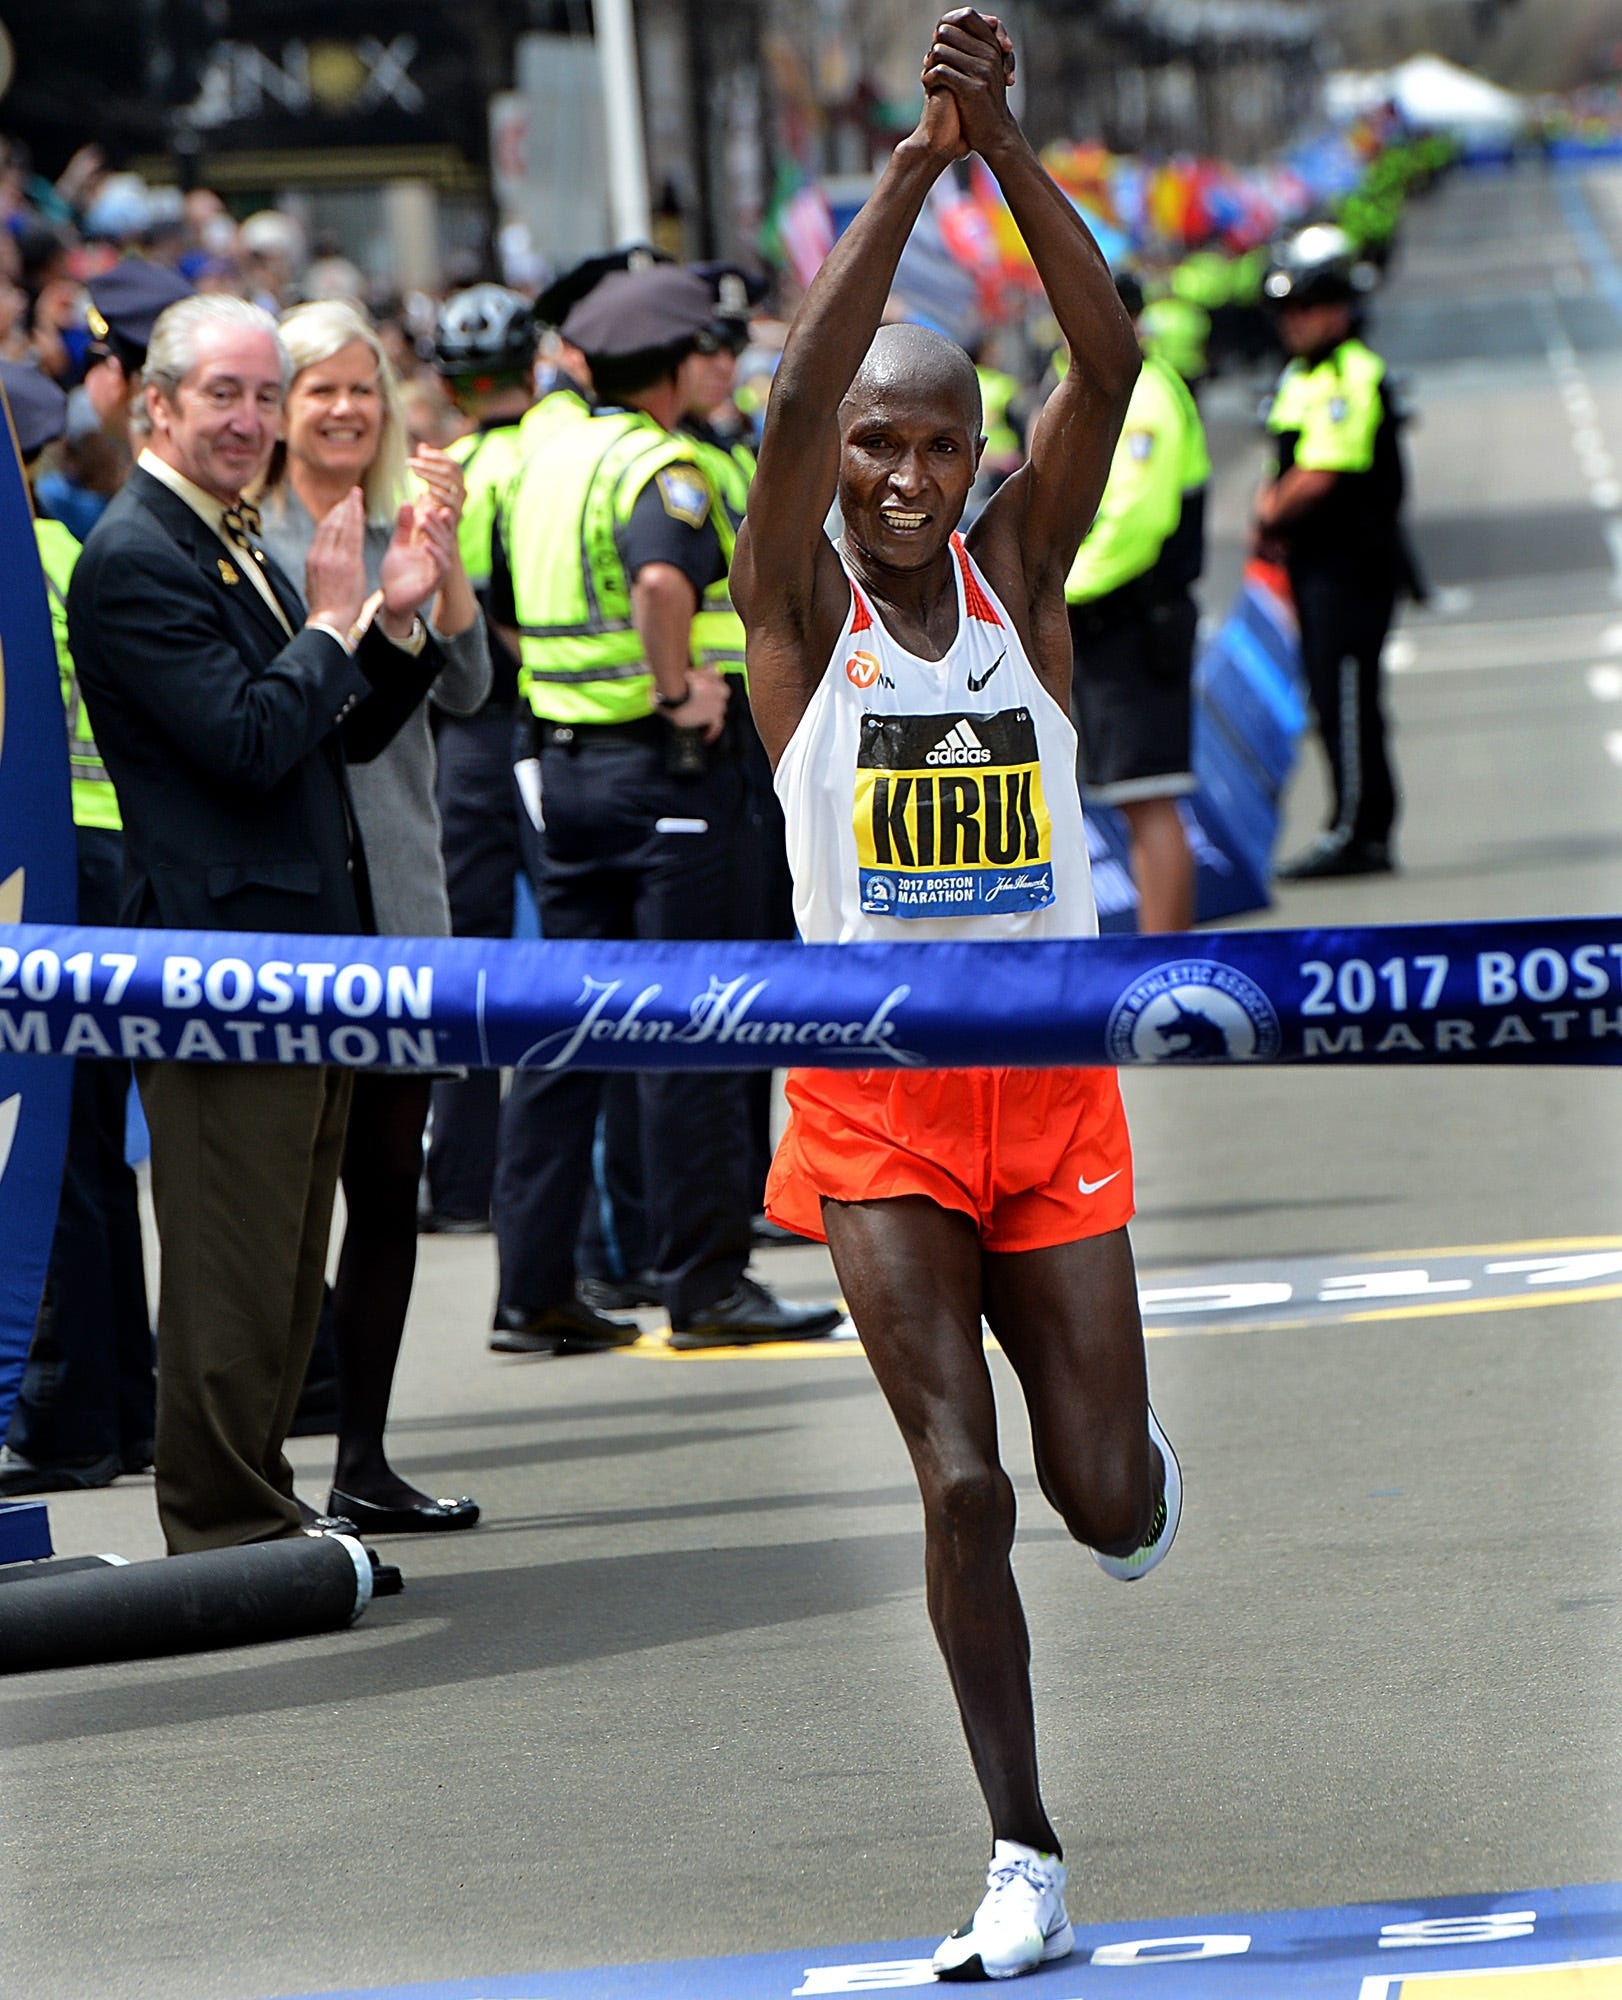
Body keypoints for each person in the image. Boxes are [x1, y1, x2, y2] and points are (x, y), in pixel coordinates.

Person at [732, 12, 1178, 1981]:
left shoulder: (1023, 575)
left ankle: (1135, 1470)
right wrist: (905, 175)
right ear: (839, 460)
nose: (904, 476)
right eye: (877, 444)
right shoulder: (795, 606)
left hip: (1052, 1093)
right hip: (877, 1110)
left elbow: (1113, 357)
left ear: (976, 460)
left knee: (1095, 1495)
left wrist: (1003, 150)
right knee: (965, 1477)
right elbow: (783, 405)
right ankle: (1025, 1850)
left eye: (937, 443)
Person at [66, 294, 452, 1556]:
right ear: (155, 406)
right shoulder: (138, 553)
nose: (248, 420)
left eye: (259, 395)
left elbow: (329, 739)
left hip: (303, 955)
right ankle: (229, 1530)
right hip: (220, 964)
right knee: (235, 1271)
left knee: (289, 1269)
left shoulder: (225, 537)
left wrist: (389, 619)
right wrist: (338, 622)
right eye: (221, 395)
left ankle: (266, 1513)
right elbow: (244, 743)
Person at [488, 264, 842, 1354]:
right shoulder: (663, 466)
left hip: (564, 772)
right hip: (668, 777)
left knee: (564, 1034)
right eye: (709, 350)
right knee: (697, 1023)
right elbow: (659, 584)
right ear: (678, 364)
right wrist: (673, 683)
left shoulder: (544, 461)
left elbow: (503, 600)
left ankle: (533, 1291)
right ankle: (705, 1282)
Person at [257, 298, 489, 1535]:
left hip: (404, 895)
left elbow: (472, 679)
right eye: (317, 391)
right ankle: (274, 1453)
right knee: (283, 1196)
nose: (344, 409)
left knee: (386, 1184)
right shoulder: (256, 532)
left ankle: (365, 1452)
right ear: (277, 408)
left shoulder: (412, 508)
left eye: (362, 389)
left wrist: (438, 572)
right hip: (295, 911)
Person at [0, 361, 154, 1497]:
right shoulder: (65, 549)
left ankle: (71, 1413)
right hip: (101, 858)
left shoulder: (32, 561)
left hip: (46, 875)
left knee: (55, 1156)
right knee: (93, 1151)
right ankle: (121, 1406)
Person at [418, 284, 539, 1234]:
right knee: (586, 948)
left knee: (467, 963)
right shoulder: (556, 450)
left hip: (460, 735)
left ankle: (459, 1184)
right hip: (549, 726)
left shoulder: (440, 470)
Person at [1256, 224, 1407, 880]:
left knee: (1346, 701)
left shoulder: (1352, 373)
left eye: (1307, 306)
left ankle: (1357, 831)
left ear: (1340, 307)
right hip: (1317, 569)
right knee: (1332, 698)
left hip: (1353, 569)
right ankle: (1357, 822)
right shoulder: (1303, 374)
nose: (1294, 321)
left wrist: (1269, 509)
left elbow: (1322, 471)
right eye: (1286, 310)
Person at [1065, 270, 1211, 934]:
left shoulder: (1144, 398)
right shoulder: (1108, 391)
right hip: (1113, 621)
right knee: (1132, 802)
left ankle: (1160, 961)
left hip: (1134, 619)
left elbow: (1135, 524)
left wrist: (1053, 589)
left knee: (1148, 802)